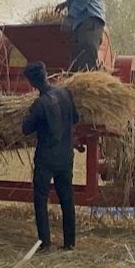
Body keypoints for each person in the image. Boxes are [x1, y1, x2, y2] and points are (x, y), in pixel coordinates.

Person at [21, 61, 80, 252]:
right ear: (46, 74)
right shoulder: (65, 93)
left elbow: (25, 129)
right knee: (66, 198)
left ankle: (44, 243)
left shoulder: (40, 104)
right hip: (65, 155)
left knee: (40, 199)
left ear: (31, 83)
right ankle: (70, 242)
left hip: (46, 157)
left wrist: (27, 115)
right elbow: (76, 118)